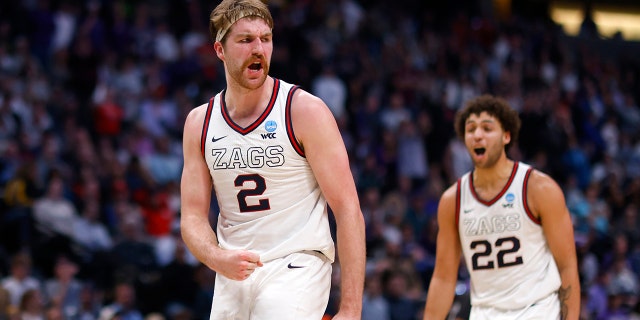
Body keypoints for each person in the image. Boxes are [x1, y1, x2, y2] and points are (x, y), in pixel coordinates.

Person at [179, 0, 366, 319]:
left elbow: (348, 208)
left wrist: (350, 309)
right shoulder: (200, 123)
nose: (258, 49)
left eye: (265, 39)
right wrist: (215, 257)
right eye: (245, 40)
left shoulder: (303, 110)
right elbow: (193, 217)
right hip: (234, 271)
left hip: (297, 262)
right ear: (220, 50)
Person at [423, 95, 580, 319]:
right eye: (471, 129)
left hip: (537, 312)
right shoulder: (453, 200)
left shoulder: (538, 188)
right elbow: (443, 278)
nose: (477, 135)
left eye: (487, 128)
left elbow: (567, 267)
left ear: (506, 135)